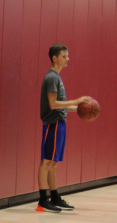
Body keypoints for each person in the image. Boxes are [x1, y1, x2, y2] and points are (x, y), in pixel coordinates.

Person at [37, 44, 91, 212]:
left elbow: (61, 106)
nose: (68, 59)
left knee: (53, 163)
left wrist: (82, 109)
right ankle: (42, 200)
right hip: (52, 124)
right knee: (46, 161)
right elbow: (53, 104)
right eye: (64, 56)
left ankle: (54, 196)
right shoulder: (52, 77)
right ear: (55, 58)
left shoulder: (57, 77)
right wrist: (75, 101)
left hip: (60, 123)